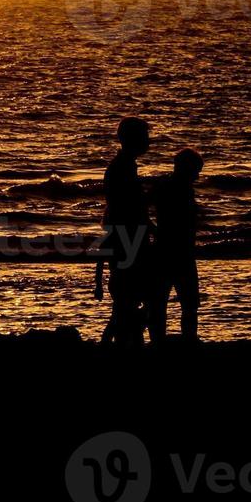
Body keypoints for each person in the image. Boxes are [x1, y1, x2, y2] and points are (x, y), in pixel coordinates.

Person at [94, 117, 151, 348]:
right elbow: (127, 208)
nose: (148, 142)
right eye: (145, 137)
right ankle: (111, 344)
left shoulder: (123, 166)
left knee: (127, 303)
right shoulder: (122, 168)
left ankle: (119, 343)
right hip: (128, 241)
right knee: (127, 303)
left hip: (126, 239)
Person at [150, 147, 204, 343]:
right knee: (187, 303)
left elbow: (142, 209)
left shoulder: (162, 186)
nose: (197, 176)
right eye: (196, 171)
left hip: (165, 249)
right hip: (179, 252)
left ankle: (159, 341)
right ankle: (187, 340)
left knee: (160, 302)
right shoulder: (179, 189)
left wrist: (154, 230)